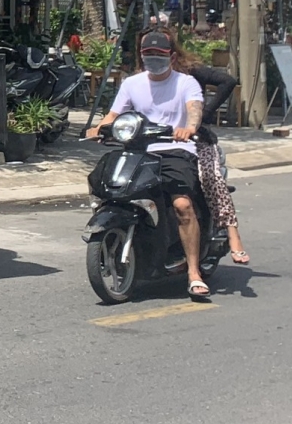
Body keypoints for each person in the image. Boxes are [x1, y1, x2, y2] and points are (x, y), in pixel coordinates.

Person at [88, 27, 213, 299]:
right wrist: (101, 127)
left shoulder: (185, 83)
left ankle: (193, 272)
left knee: (181, 204)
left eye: (159, 53)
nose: (153, 58)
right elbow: (113, 114)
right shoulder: (132, 83)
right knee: (114, 191)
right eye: (148, 53)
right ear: (141, 55)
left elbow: (194, 110)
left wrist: (188, 128)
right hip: (138, 150)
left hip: (176, 150)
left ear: (171, 55)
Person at [180, 53, 247, 266]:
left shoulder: (190, 73)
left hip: (196, 137)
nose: (155, 57)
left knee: (210, 175)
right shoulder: (144, 78)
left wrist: (205, 115)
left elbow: (228, 81)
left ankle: (231, 229)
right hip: (158, 139)